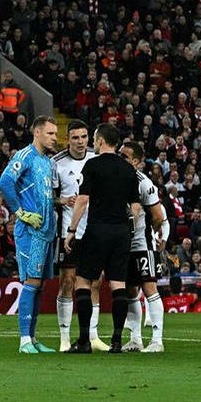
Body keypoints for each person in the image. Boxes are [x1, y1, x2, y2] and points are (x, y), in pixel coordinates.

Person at [63, 123, 140, 354]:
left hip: (97, 230)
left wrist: (72, 230)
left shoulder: (92, 164)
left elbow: (83, 200)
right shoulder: (128, 170)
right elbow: (135, 208)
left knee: (84, 282)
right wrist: (128, 229)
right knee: (118, 284)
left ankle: (85, 340)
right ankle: (116, 342)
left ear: (100, 141)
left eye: (94, 139)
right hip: (121, 233)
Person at [0, 115, 61, 354]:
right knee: (31, 283)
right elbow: (5, 182)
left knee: (40, 285)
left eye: (55, 134)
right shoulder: (25, 155)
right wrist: (21, 213)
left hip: (46, 231)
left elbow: (43, 195)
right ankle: (24, 339)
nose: (55, 138)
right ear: (37, 133)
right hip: (30, 230)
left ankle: (33, 338)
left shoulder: (46, 162)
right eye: (51, 133)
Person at [53, 120, 99, 351]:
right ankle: (64, 337)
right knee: (67, 282)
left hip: (94, 230)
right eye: (75, 138)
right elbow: (49, 197)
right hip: (68, 233)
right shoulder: (57, 163)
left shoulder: (96, 158)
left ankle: (92, 336)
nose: (80, 142)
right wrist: (62, 200)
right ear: (67, 139)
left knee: (95, 283)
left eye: (84, 137)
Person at [121, 141, 169, 352]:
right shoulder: (116, 179)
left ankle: (157, 340)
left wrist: (148, 230)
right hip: (123, 244)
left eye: (125, 156)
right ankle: (135, 338)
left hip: (142, 243)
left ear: (137, 161)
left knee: (149, 287)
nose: (120, 158)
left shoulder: (144, 183)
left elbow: (158, 216)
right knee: (130, 290)